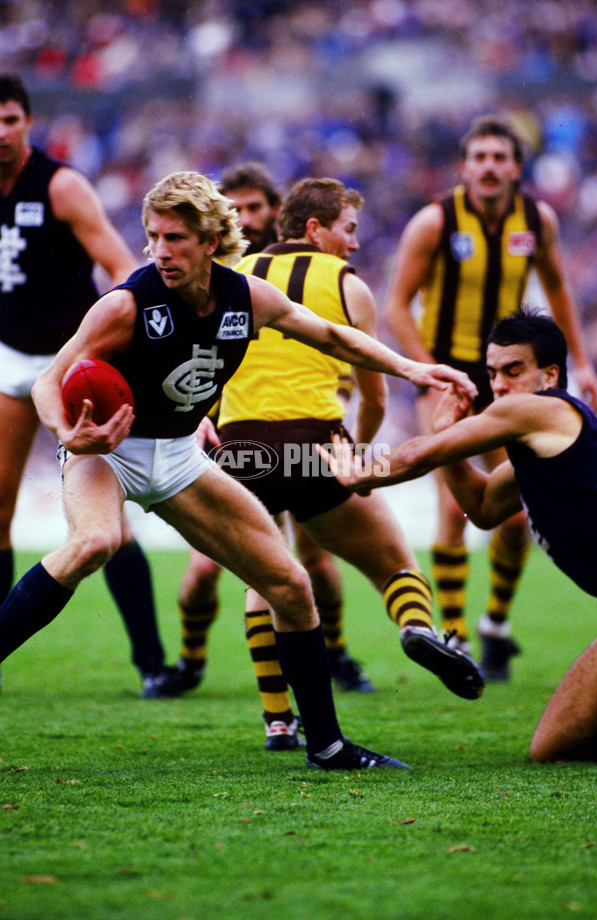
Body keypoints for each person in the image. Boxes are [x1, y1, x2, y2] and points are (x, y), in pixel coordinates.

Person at [0, 170, 479, 771]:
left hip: (177, 455)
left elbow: (334, 337)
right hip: (109, 450)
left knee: (291, 586)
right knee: (95, 541)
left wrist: (415, 372)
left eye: (175, 239)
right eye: (152, 237)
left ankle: (326, 746)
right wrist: (68, 433)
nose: (160, 252)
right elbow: (51, 380)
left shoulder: (246, 297)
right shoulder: (125, 304)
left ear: (210, 240)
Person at [214, 175, 485, 738]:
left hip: (240, 453)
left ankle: (278, 720)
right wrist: (356, 459)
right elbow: (375, 394)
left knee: (262, 581)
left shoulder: (234, 277)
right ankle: (415, 626)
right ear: (316, 230)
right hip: (315, 447)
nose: (355, 244)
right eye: (349, 230)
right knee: (394, 564)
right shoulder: (346, 285)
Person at [319, 308, 597, 762]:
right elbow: (484, 508)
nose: (500, 386)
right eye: (492, 373)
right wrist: (447, 436)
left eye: (513, 370)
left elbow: (419, 455)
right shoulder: (542, 442)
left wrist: (361, 474)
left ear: (550, 375)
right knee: (552, 747)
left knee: (553, 747)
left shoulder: (537, 410)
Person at [385, 114, 597, 682]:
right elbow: (397, 306)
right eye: (479, 157)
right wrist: (425, 374)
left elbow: (557, 286)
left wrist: (580, 365)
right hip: (455, 372)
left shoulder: (538, 220)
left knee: (510, 515)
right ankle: (453, 634)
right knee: (453, 511)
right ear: (464, 167)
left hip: (515, 374)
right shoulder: (434, 222)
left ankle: (495, 627)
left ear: (516, 168)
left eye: (499, 158)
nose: (488, 167)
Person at [174, 164, 374, 729]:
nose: (247, 218)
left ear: (273, 211)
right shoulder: (224, 277)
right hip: (241, 429)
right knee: (211, 574)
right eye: (234, 210)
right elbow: (203, 361)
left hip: (290, 432)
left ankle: (323, 664)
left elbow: (333, 343)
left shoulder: (294, 277)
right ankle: (191, 662)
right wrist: (198, 418)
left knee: (305, 566)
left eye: (254, 208)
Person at [0, 73, 169, 698]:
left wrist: (129, 340)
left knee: (109, 525)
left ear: (28, 122)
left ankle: (153, 663)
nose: (0, 131)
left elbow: (124, 268)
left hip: (77, 364)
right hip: (11, 356)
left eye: (10, 118)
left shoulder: (62, 185)